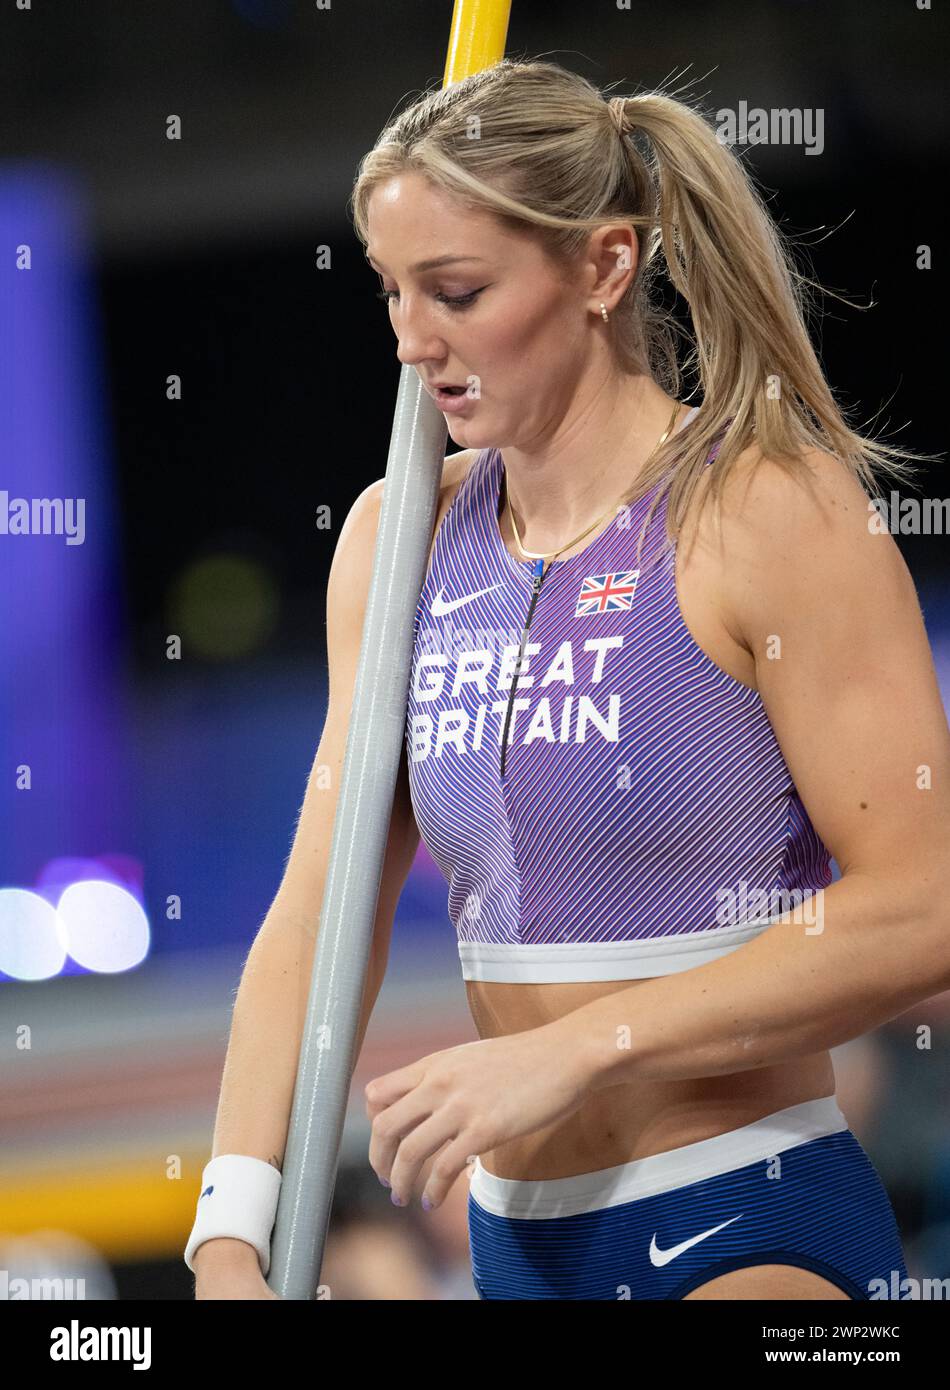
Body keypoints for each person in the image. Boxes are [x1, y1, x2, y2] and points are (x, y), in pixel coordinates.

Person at [188, 59, 950, 1300]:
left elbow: (924, 905)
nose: (410, 342)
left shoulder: (764, 510)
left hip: (743, 1211)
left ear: (602, 268)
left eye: (457, 291)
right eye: (390, 293)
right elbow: (316, 922)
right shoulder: (398, 548)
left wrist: (577, 1051)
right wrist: (231, 1225)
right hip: (517, 1244)